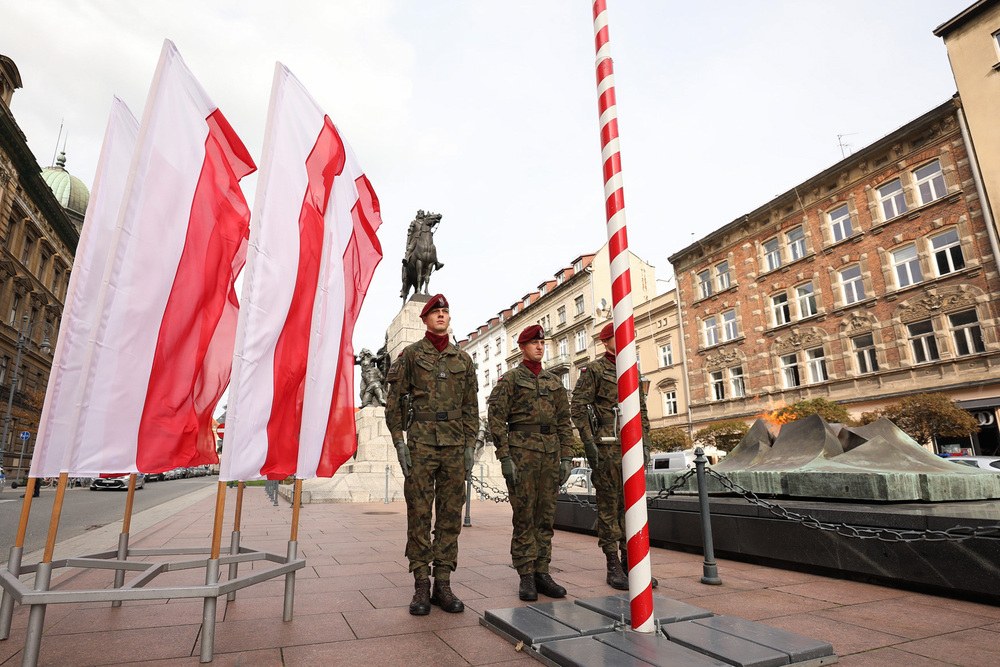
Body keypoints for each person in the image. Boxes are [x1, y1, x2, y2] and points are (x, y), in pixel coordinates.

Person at [385, 294, 478, 615]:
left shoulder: (463, 360)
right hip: (421, 443)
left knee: (451, 515)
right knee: (420, 513)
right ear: (424, 320)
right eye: (434, 311)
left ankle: (443, 583)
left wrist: (470, 446)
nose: (441, 315)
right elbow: (394, 402)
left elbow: (470, 407)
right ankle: (421, 584)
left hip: (454, 445)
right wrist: (399, 442)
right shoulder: (410, 356)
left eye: (445, 311)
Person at [488, 324, 574, 601]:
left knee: (546, 516)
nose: (540, 346)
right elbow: (496, 418)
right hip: (522, 454)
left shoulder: (553, 382)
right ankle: (526, 575)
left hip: (550, 455)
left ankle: (542, 572)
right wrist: (504, 456)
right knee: (524, 515)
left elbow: (564, 421)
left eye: (542, 343)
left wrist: (567, 457)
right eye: (534, 343)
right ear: (522, 347)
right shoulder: (511, 379)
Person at [571, 322, 657, 590]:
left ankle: (632, 562)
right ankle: (613, 564)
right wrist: (588, 441)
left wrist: (646, 443)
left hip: (631, 447)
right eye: (617, 338)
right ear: (605, 342)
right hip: (607, 447)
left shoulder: (632, 370)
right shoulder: (594, 370)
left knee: (632, 506)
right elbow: (578, 406)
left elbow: (641, 409)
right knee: (610, 507)